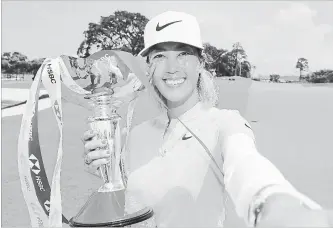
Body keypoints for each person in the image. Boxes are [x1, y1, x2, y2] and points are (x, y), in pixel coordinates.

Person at [82, 11, 333, 227]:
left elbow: (246, 165)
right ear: (148, 66)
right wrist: (106, 171)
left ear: (200, 63)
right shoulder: (135, 134)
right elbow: (128, 207)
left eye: (183, 54)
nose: (171, 67)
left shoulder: (224, 124)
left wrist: (277, 207)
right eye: (159, 55)